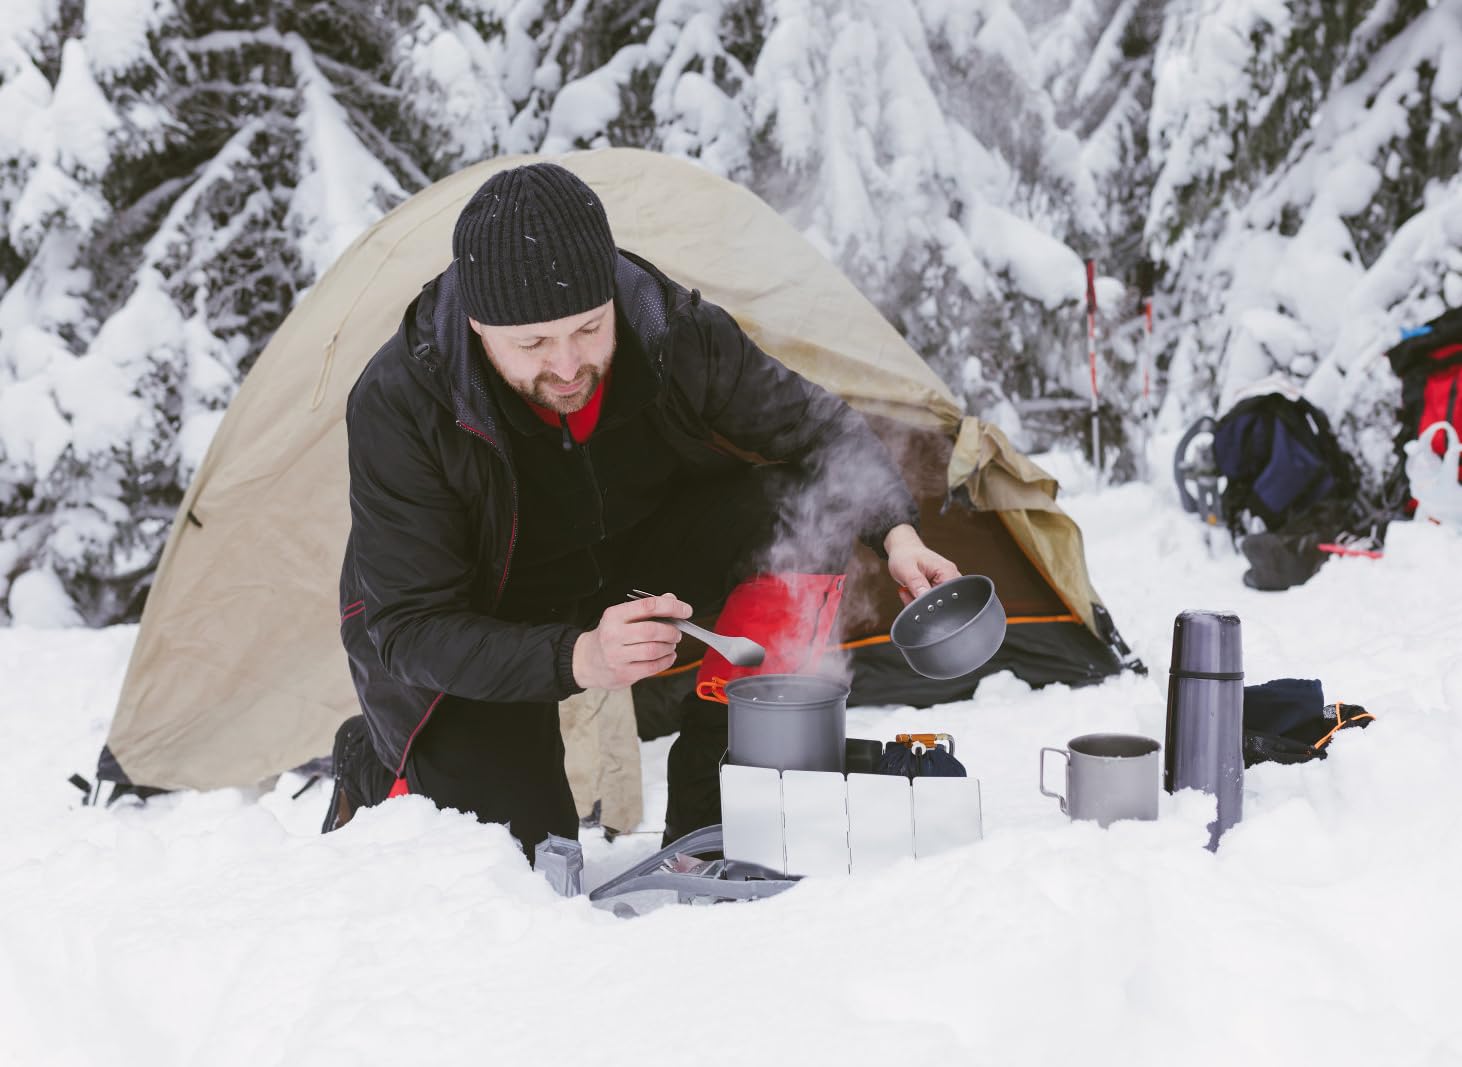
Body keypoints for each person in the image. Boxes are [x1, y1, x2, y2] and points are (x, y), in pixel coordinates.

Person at [326, 161, 958, 851]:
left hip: (621, 564)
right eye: (532, 343)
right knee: (522, 861)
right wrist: (579, 656)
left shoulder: (670, 331)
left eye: (588, 329)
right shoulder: (402, 400)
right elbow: (411, 627)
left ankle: (717, 790)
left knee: (806, 511)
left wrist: (898, 534)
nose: (567, 365)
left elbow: (818, 430)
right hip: (476, 619)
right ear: (479, 325)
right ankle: (376, 767)